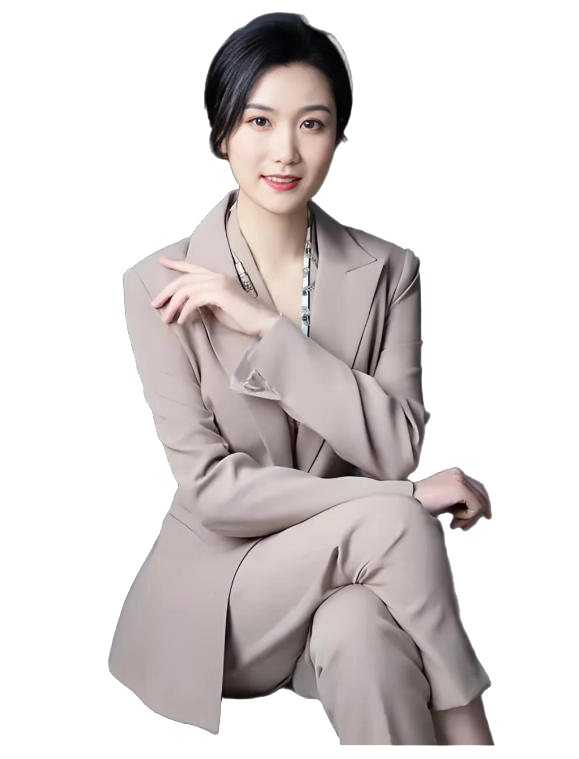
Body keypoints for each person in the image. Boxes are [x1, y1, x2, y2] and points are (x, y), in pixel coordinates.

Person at [108, 12, 494, 745]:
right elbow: (213, 491)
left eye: (311, 124)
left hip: (346, 586)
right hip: (225, 601)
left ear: (338, 135)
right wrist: (402, 499)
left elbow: (394, 446)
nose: (284, 150)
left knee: (361, 635)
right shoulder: (154, 285)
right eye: (259, 121)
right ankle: (473, 737)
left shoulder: (390, 271)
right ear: (222, 132)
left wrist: (267, 328)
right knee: (398, 519)